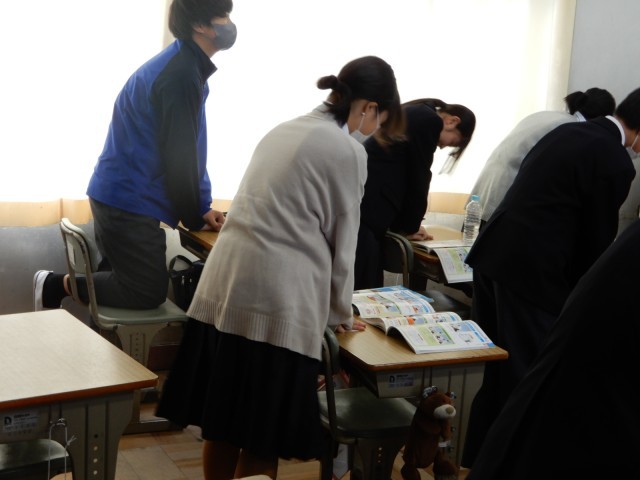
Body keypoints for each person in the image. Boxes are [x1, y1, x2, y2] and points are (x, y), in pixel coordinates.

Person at [156, 56, 403, 480]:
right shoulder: (346, 151)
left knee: (223, 426)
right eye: (379, 119)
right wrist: (340, 315)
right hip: (276, 302)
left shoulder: (284, 129)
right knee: (260, 438)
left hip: (223, 289)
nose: (374, 129)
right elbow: (344, 244)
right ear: (369, 107)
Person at [461, 87, 640, 468]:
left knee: (495, 372)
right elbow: (595, 241)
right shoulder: (615, 160)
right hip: (533, 275)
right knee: (527, 380)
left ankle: (477, 462)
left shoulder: (566, 131)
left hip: (494, 257)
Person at [33, 0, 233, 311]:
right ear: (200, 26)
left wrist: (202, 207)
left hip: (120, 196)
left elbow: (193, 147)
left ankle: (74, 307)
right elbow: (180, 157)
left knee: (121, 284)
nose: (229, 23)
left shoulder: (184, 66)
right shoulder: (181, 74)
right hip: (126, 202)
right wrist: (195, 215)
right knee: (146, 292)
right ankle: (54, 284)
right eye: (223, 16)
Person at [466, 218, 640, 479]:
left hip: (506, 253)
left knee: (504, 383)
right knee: (514, 376)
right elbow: (596, 228)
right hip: (580, 430)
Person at [354, 98, 476, 290]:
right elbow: (419, 177)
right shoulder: (429, 119)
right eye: (452, 142)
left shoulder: (415, 111)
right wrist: (410, 227)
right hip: (369, 210)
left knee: (361, 282)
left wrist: (406, 224)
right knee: (364, 287)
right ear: (452, 121)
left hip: (362, 204)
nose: (442, 147)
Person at [471, 88, 616, 226]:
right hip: (506, 200)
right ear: (604, 118)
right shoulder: (573, 130)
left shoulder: (549, 116)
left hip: (484, 194)